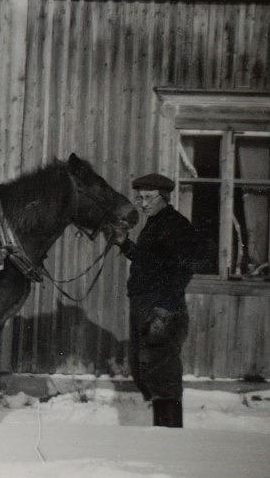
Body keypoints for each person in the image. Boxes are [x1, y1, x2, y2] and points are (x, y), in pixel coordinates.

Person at [112, 173, 197, 428]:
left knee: (163, 375)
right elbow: (149, 263)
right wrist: (124, 244)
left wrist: (163, 309)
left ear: (165, 197)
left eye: (148, 198)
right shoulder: (156, 224)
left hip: (162, 309)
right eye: (140, 198)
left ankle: (168, 437)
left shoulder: (176, 225)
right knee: (147, 371)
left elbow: (184, 268)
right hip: (146, 305)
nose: (143, 203)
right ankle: (163, 435)